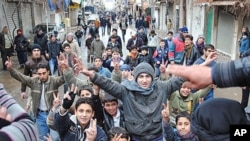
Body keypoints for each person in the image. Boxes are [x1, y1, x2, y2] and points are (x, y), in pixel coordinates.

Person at [75, 60, 185, 141]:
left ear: (152, 77)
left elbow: (180, 80)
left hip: (157, 137)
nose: (144, 80)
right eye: (141, 76)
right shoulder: (126, 90)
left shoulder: (162, 87)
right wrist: (92, 75)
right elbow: (108, 84)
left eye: (147, 76)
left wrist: (200, 68)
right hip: (135, 137)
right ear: (136, 78)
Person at [5, 57, 64, 141]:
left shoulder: (54, 81)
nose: (42, 76)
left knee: (55, 138)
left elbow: (63, 79)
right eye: (39, 74)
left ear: (48, 72)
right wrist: (11, 69)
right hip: (40, 115)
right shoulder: (33, 81)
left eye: (44, 73)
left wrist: (63, 69)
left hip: (53, 114)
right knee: (42, 138)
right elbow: (21, 77)